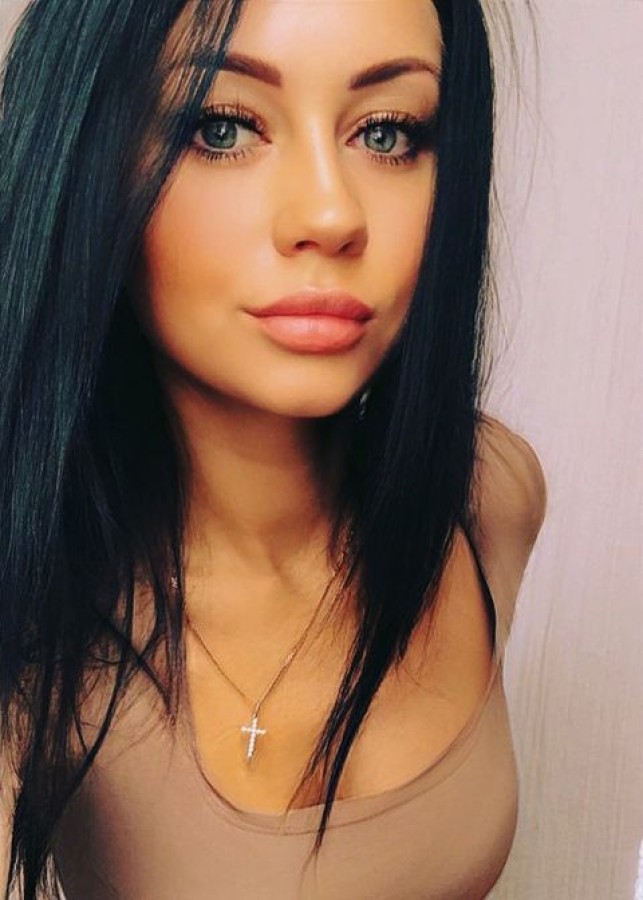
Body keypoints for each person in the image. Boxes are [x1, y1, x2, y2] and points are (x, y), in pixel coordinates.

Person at [0, 0, 546, 897]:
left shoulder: (489, 494)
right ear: (87, 158)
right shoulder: (37, 603)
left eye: (386, 132)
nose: (330, 214)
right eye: (221, 127)